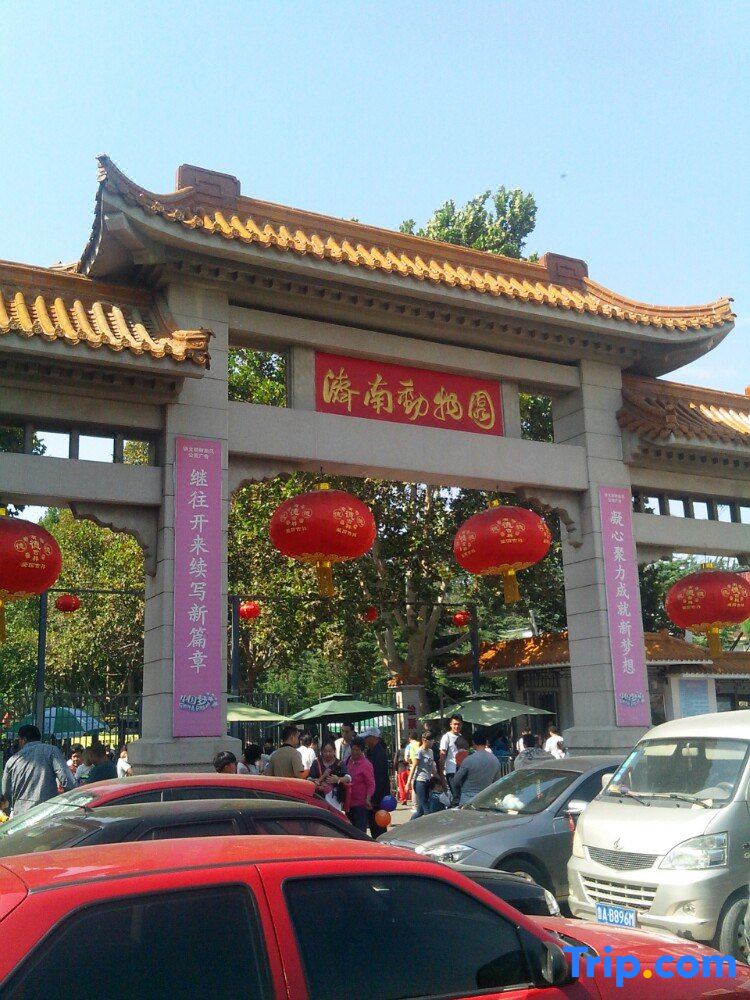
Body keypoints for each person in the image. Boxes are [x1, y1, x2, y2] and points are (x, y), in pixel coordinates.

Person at [1, 724, 74, 816]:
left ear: (23, 740)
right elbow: (67, 780)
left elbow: (6, 792)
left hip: (21, 815)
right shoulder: (51, 751)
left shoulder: (12, 760)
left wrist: (8, 811)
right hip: (47, 812)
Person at [452, 730, 501, 806]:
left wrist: (457, 794)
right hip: (485, 799)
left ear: (473, 742)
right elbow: (497, 782)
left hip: (467, 799)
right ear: (486, 742)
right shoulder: (495, 760)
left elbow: (456, 780)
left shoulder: (469, 760)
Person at [362, 727, 391, 839]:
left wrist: (372, 797)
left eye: (367, 737)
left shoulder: (379, 753)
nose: (365, 740)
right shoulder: (372, 751)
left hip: (378, 799)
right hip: (376, 797)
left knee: (378, 829)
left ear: (373, 738)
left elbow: (379, 778)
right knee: (376, 827)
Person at [309, 740, 351, 812]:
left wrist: (338, 779)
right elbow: (309, 779)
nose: (328, 754)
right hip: (319, 799)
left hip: (335, 800)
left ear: (334, 751)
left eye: (330, 751)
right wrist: (320, 783)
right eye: (325, 751)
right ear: (321, 752)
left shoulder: (340, 763)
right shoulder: (316, 763)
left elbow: (348, 777)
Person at [405, 731, 437, 820]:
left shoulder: (430, 751)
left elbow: (432, 767)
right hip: (419, 782)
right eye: (431, 740)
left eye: (433, 740)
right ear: (424, 740)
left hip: (427, 781)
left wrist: (439, 778)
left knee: (420, 811)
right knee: (426, 809)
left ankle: (410, 824)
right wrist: (408, 783)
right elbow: (413, 767)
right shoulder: (419, 752)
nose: (432, 742)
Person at [345, 738, 375, 832]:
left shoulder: (366, 765)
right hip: (348, 804)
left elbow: (371, 784)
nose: (354, 752)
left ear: (362, 751)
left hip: (360, 805)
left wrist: (368, 798)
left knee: (359, 832)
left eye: (357, 750)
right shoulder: (347, 761)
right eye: (353, 749)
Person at [438, 714, 465, 797]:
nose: (457, 726)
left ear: (462, 725)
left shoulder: (461, 737)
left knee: (461, 796)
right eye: (455, 724)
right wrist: (442, 775)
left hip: (462, 770)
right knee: (456, 796)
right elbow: (442, 755)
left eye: (459, 724)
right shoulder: (446, 737)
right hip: (451, 771)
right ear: (450, 724)